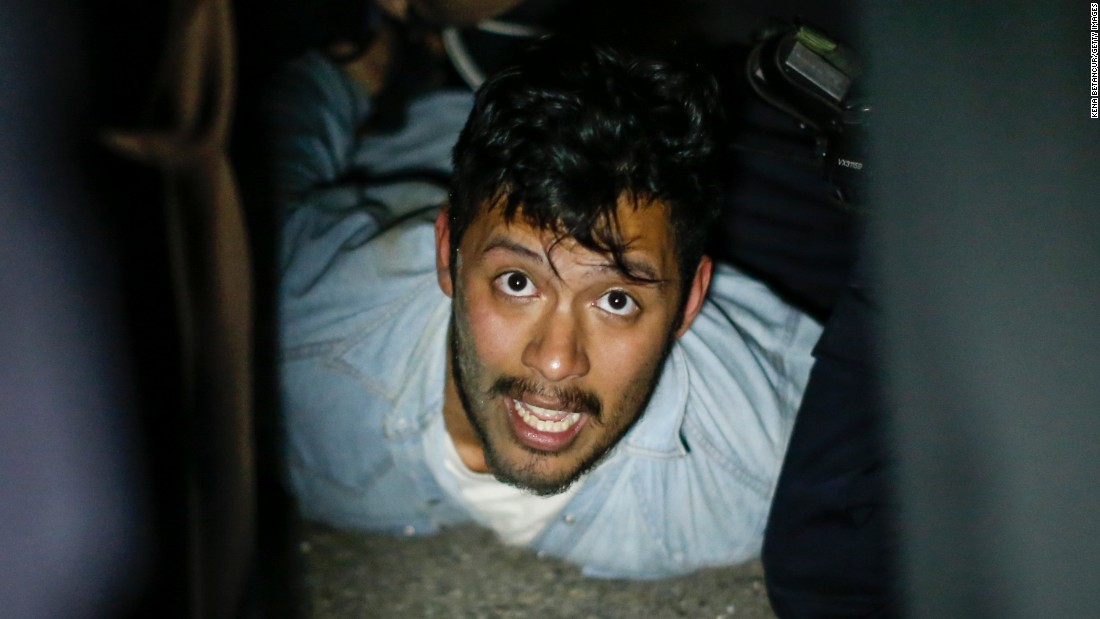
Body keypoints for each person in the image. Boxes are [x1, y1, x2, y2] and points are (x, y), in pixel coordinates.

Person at [269, 35, 822, 578]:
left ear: (689, 303)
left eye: (615, 299)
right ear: (448, 255)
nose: (557, 361)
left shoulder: (764, 471)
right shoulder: (302, 337)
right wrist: (344, 74)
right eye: (516, 283)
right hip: (407, 142)